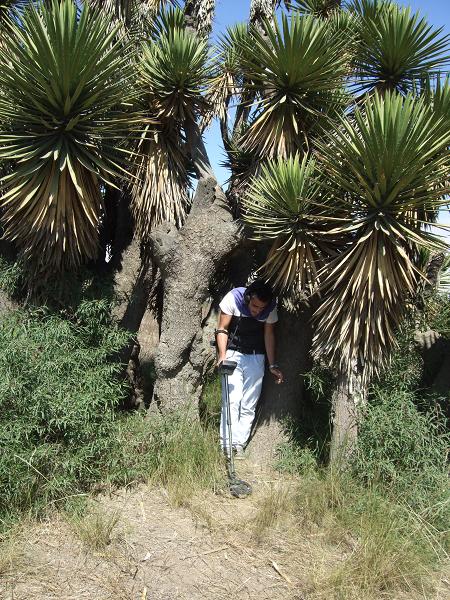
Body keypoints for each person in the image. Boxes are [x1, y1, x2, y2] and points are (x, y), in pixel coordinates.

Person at [216, 280, 284, 457]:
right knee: (232, 399)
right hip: (233, 353)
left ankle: (238, 444)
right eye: (254, 306)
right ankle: (226, 442)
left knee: (248, 403)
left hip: (256, 356)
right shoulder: (234, 298)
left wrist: (272, 364)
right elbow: (222, 329)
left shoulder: (269, 309)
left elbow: (269, 334)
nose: (257, 311)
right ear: (247, 298)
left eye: (261, 308)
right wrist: (222, 356)